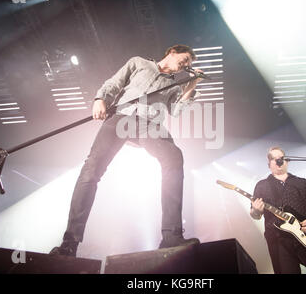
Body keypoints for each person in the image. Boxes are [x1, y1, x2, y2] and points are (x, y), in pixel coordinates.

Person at [50, 45, 202, 256]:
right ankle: (69, 243)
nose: (185, 66)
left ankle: (171, 235)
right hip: (120, 117)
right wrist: (100, 99)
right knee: (91, 170)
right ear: (172, 52)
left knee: (174, 157)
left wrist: (192, 84)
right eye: (185, 60)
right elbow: (115, 82)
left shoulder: (175, 86)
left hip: (147, 125)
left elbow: (176, 111)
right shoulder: (139, 62)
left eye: (189, 65)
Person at [250, 146, 306, 274]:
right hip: (279, 241)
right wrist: (256, 210)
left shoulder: (301, 182)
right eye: (274, 158)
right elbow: (256, 215)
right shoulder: (262, 185)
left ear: (287, 161)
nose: (278, 161)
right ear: (269, 164)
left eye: (281, 158)